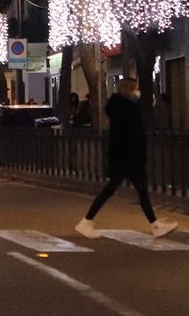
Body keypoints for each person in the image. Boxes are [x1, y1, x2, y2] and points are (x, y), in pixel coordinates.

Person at [74, 77, 177, 239]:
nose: (137, 92)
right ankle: (86, 221)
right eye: (135, 88)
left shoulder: (120, 108)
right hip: (128, 157)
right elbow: (132, 135)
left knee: (133, 191)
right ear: (128, 90)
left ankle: (154, 224)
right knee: (122, 190)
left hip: (122, 156)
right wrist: (138, 154)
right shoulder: (127, 110)